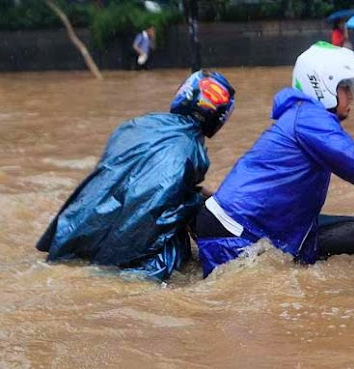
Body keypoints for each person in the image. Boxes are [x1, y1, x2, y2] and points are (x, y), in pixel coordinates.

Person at [194, 41, 354, 277]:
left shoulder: (309, 117)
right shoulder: (309, 118)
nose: (351, 96)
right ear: (325, 86)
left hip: (259, 225)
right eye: (345, 88)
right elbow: (353, 163)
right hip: (234, 231)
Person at [35, 70, 236, 281]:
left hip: (78, 230)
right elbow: (165, 204)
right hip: (130, 254)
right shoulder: (194, 152)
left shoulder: (138, 125)